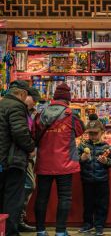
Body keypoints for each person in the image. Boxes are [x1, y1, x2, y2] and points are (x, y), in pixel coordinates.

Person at [33, 83, 85, 236]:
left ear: (54, 97)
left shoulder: (41, 114)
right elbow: (80, 131)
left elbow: (34, 134)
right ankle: (61, 231)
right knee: (64, 197)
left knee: (42, 197)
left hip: (44, 162)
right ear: (68, 99)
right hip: (65, 162)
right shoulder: (71, 115)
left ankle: (41, 231)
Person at [0, 80, 36, 236]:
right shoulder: (17, 106)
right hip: (12, 161)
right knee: (13, 199)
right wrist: (31, 148)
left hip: (3, 160)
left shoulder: (2, 104)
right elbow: (20, 132)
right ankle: (10, 232)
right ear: (22, 94)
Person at [78, 114, 111, 236]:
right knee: (88, 203)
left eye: (95, 133)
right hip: (87, 179)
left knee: (101, 204)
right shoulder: (83, 145)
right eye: (90, 133)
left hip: (102, 180)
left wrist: (106, 162)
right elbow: (75, 160)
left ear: (102, 132)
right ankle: (88, 224)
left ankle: (99, 225)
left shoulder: (106, 146)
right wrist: (81, 158)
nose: (93, 136)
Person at [18, 87, 41, 233]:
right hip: (21, 154)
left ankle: (18, 218)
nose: (34, 103)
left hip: (28, 155)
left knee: (27, 185)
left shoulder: (33, 113)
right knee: (27, 185)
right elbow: (20, 133)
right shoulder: (19, 111)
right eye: (33, 100)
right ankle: (17, 219)